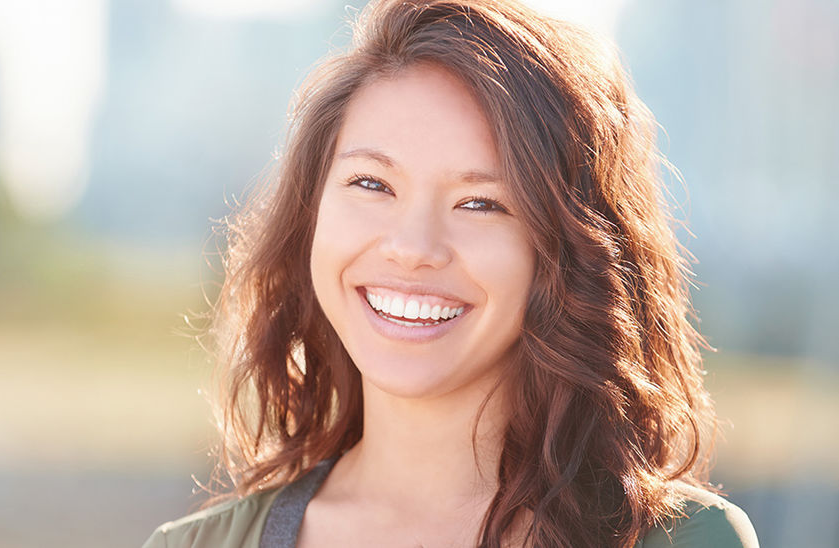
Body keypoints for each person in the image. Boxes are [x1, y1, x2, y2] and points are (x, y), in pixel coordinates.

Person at [144, 0, 759, 546]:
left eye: (481, 203)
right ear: (310, 214)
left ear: (566, 250)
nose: (412, 248)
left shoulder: (677, 541)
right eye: (371, 183)